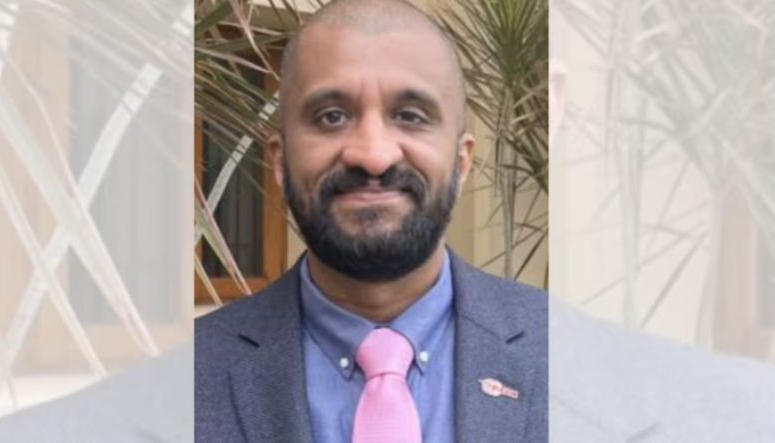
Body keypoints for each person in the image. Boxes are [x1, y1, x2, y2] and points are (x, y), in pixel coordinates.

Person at [194, 1, 548, 443]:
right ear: (281, 162)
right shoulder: (177, 385)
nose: (373, 155)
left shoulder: (583, 361)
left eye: (410, 116)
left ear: (461, 164)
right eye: (331, 117)